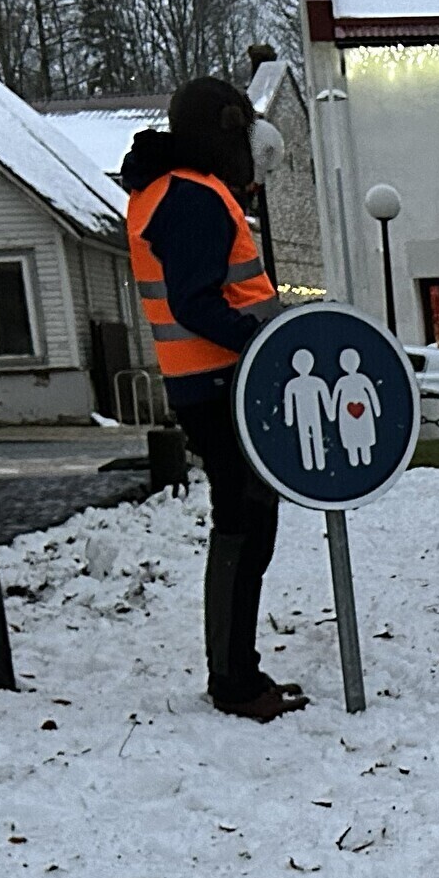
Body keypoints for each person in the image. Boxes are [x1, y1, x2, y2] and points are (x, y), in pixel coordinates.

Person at [120, 77, 302, 720]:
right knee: (244, 525)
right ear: (223, 131)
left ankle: (237, 669)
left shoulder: (167, 190)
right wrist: (263, 341)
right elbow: (195, 303)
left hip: (210, 383)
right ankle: (233, 681)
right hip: (221, 384)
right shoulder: (191, 196)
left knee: (246, 522)